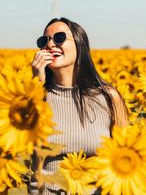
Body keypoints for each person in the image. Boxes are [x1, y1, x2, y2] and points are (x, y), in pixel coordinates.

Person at [31, 17, 128, 194]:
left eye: (59, 38)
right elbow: (24, 147)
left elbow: (125, 154)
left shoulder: (108, 98)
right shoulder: (35, 96)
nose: (50, 45)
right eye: (44, 41)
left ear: (79, 44)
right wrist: (36, 85)